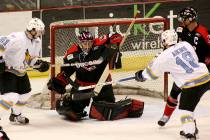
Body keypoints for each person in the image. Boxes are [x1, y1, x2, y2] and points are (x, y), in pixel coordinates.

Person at [47, 31, 144, 121]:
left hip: (102, 84)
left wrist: (115, 42)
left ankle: (129, 105)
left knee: (107, 111)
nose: (87, 45)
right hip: (81, 86)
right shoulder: (72, 53)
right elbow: (67, 70)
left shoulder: (99, 44)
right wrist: (60, 80)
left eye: (90, 42)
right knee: (69, 110)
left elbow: (114, 36)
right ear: (80, 43)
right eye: (85, 43)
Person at [134, 29, 210, 139]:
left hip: (192, 84)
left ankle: (190, 133)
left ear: (164, 41)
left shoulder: (163, 56)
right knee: (188, 105)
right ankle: (190, 128)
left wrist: (141, 75)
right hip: (206, 76)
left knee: (185, 110)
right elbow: (195, 59)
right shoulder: (186, 44)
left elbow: (152, 74)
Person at [158, 7, 210, 128]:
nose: (181, 20)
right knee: (174, 92)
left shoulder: (204, 32)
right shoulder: (180, 31)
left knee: (189, 100)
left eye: (184, 18)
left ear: (191, 19)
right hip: (185, 70)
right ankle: (166, 116)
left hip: (201, 71)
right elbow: (173, 47)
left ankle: (190, 125)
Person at [0, 17, 49, 139]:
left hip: (21, 71)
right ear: (32, 30)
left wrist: (38, 64)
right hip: (8, 70)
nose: (39, 34)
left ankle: (15, 116)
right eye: (38, 31)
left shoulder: (36, 42)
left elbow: (30, 59)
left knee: (25, 94)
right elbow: (0, 43)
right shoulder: (17, 38)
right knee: (11, 97)